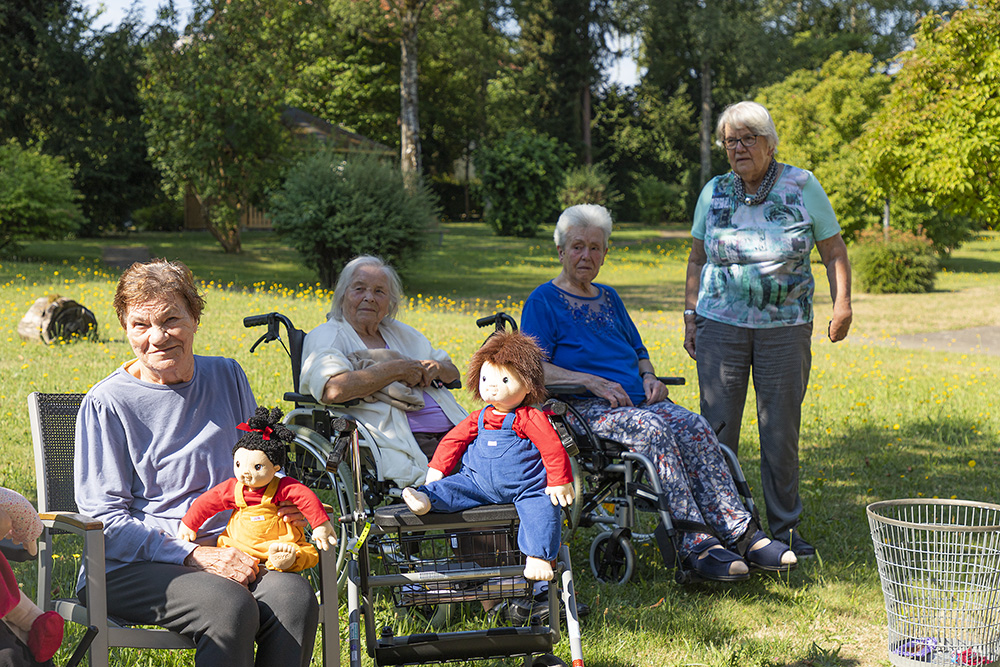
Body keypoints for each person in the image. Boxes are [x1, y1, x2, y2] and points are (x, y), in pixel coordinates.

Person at [520, 204, 796, 582]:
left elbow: (638, 352)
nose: (587, 255)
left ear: (605, 253)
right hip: (585, 410)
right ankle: (694, 541)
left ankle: (742, 533)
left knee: (695, 426)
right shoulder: (543, 301)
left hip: (638, 401)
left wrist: (650, 378)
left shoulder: (609, 297)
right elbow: (535, 368)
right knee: (652, 430)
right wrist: (589, 381)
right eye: (577, 247)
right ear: (560, 251)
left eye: (595, 248)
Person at [74, 260, 319, 667]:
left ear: (195, 318)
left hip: (236, 548)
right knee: (228, 604)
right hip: (130, 565)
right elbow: (104, 522)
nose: (157, 337)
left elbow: (260, 463)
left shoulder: (227, 375)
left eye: (171, 319)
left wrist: (286, 500)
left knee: (293, 597)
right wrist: (191, 554)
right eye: (140, 325)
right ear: (124, 328)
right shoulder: (107, 403)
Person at [683, 100, 853, 558]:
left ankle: (785, 528)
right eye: (729, 141)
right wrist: (689, 316)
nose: (737, 148)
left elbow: (834, 251)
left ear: (769, 142)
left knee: (780, 429)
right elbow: (697, 259)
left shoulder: (802, 185)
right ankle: (726, 528)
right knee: (718, 430)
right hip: (721, 326)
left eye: (747, 138)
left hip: (785, 328)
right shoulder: (714, 191)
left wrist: (843, 305)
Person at [299, 255, 467, 487]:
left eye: (379, 291)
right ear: (342, 295)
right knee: (473, 479)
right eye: (359, 288)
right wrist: (396, 369)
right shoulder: (329, 336)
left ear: (390, 302)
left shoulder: (400, 333)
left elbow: (453, 373)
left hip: (454, 429)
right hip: (404, 439)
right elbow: (333, 389)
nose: (369, 297)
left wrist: (436, 369)